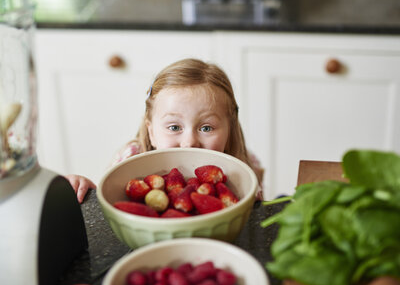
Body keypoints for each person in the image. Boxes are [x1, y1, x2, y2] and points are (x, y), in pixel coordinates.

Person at [66, 58, 264, 203]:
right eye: (175, 127)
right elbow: (109, 202)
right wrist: (85, 188)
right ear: (151, 131)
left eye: (206, 127)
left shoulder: (243, 165)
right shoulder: (131, 159)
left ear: (229, 130)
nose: (189, 142)